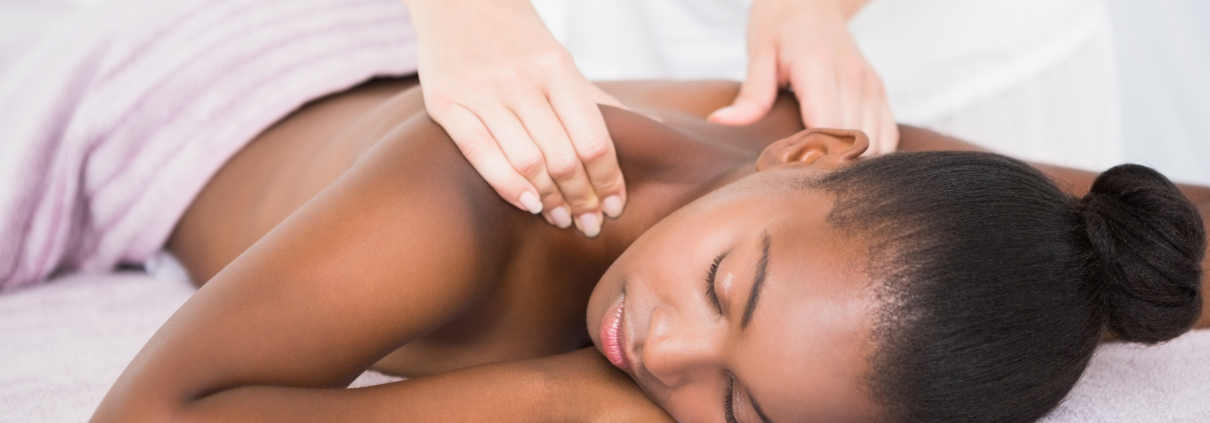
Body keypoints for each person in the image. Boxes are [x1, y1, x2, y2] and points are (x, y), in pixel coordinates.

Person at [90, 77, 1208, 422]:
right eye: (727, 286)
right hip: (177, 88)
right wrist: (563, 400)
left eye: (737, 411)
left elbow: (1160, 245)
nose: (665, 356)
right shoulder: (472, 187)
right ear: (809, 154)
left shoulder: (937, 235)